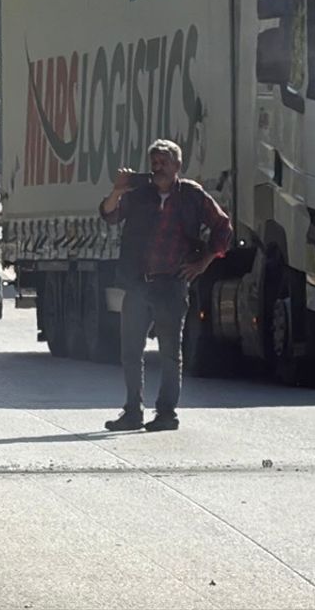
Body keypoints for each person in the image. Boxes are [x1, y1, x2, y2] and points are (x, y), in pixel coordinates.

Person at [99, 139, 232, 432]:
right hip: (138, 283)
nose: (158, 168)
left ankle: (166, 414)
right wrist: (118, 190)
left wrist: (204, 262)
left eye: (164, 162)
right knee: (130, 352)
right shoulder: (139, 194)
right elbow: (110, 215)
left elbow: (223, 227)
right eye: (154, 162)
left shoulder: (192, 195)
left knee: (170, 353)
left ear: (177, 165)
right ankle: (132, 412)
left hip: (171, 285)